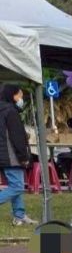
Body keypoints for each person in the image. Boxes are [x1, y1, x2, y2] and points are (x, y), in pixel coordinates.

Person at [0, 84, 36, 226]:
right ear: (13, 96)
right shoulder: (11, 111)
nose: (21, 99)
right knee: (17, 187)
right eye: (20, 96)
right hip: (11, 155)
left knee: (14, 184)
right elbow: (16, 137)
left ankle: (19, 215)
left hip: (3, 154)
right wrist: (23, 157)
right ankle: (19, 215)